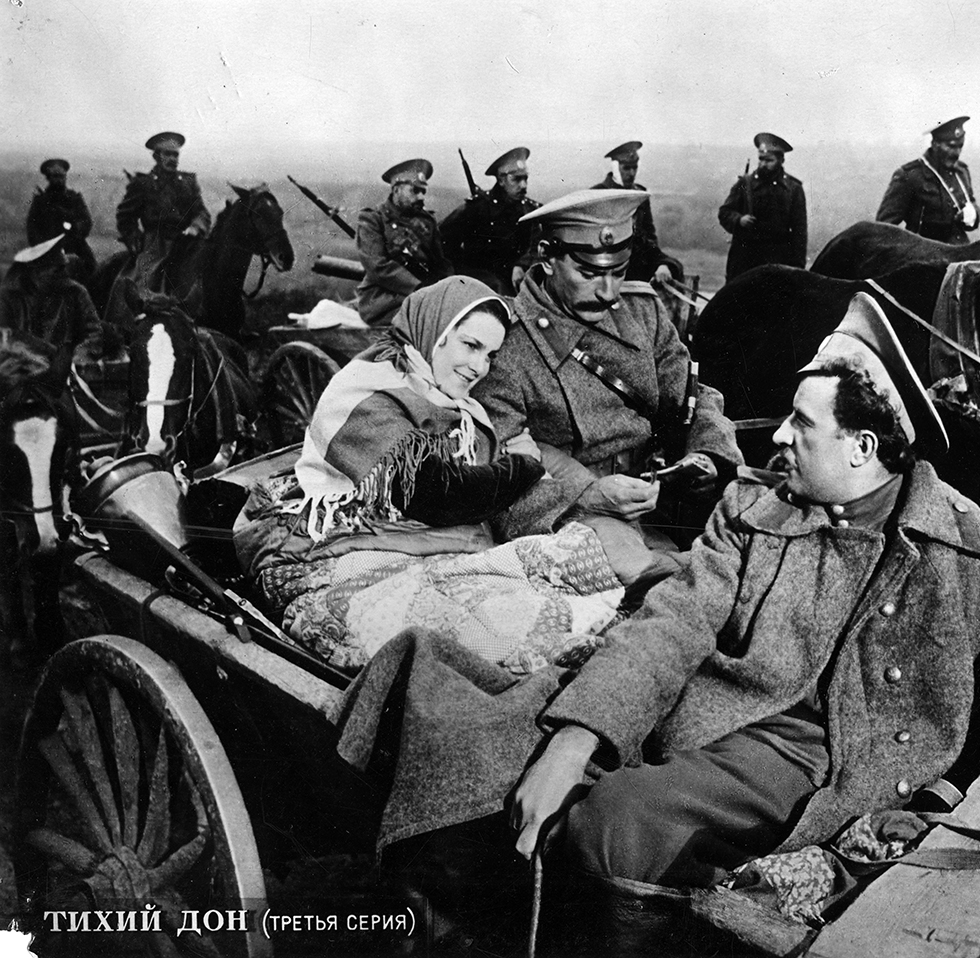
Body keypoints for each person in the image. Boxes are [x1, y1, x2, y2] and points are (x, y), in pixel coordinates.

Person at [511, 294, 980, 938]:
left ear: (862, 447)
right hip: (723, 725)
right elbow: (670, 625)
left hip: (835, 765)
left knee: (614, 827)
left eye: (801, 423)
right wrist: (577, 737)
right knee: (520, 757)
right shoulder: (751, 513)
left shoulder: (976, 547)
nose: (779, 436)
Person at [234, 275, 664, 674]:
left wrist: (541, 482)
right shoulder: (369, 394)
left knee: (565, 575)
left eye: (490, 355)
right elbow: (439, 495)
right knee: (459, 623)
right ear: (434, 332)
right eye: (470, 345)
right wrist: (523, 466)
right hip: (333, 544)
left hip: (416, 539)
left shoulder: (452, 404)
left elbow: (482, 486)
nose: (480, 367)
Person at [470, 188, 744, 549]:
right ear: (547, 257)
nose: (609, 292)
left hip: (667, 503)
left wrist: (707, 454)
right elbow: (494, 480)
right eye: (589, 273)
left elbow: (694, 397)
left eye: (619, 272)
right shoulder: (505, 343)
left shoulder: (643, 311)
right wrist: (584, 499)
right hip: (580, 529)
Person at [355, 158, 454, 327]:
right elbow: (378, 267)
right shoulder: (373, 220)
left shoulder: (427, 222)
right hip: (384, 300)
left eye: (423, 191)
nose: (421, 197)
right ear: (396, 189)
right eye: (414, 190)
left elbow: (440, 263)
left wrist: (450, 288)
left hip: (424, 296)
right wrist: (419, 289)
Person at [115, 132, 212, 292]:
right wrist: (135, 240)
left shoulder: (188, 182)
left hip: (186, 242)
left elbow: (201, 211)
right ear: (156, 156)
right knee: (144, 284)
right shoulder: (143, 183)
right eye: (167, 154)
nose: (172, 159)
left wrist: (195, 227)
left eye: (175, 155)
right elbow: (125, 217)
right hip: (156, 245)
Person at [439, 147, 540, 296]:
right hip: (479, 284)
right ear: (501, 180)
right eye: (516, 179)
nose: (523, 185)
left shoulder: (531, 211)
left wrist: (522, 264)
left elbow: (538, 243)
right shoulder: (477, 208)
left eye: (525, 179)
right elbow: (443, 242)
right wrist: (460, 276)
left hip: (518, 282)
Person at [876, 116, 980, 245]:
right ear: (935, 144)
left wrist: (974, 214)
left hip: (961, 251)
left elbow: (971, 202)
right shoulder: (910, 176)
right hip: (925, 254)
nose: (957, 152)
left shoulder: (962, 172)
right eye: (951, 146)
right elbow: (883, 227)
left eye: (960, 146)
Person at [718, 132, 807, 282]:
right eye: (761, 159)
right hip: (744, 260)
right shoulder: (745, 184)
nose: (763, 164)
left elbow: (800, 231)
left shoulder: (793, 188)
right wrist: (739, 220)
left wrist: (798, 267)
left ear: (781, 160)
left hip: (778, 260)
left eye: (769, 160)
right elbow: (724, 212)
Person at [590, 141, 683, 285]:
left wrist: (660, 264)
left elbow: (649, 237)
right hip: (607, 265)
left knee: (672, 269)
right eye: (626, 168)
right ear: (615, 167)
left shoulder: (640, 194)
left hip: (637, 263)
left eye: (635, 167)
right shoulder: (597, 195)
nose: (631, 173)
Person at [0, 234, 104, 362]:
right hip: (20, 366)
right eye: (57, 270)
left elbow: (94, 334)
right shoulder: (9, 296)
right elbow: (5, 337)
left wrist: (78, 358)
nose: (64, 274)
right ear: (35, 270)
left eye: (63, 267)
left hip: (65, 367)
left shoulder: (76, 292)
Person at [26, 158, 96, 281]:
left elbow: (86, 221)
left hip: (74, 247)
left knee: (92, 272)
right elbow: (32, 228)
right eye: (55, 176)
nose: (59, 180)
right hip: (48, 249)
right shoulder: (40, 201)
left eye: (62, 176)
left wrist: (73, 225)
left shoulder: (74, 198)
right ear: (49, 178)